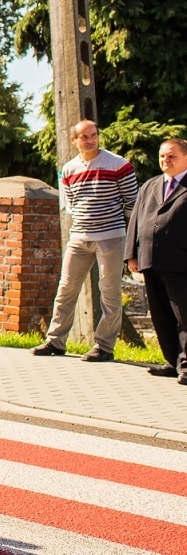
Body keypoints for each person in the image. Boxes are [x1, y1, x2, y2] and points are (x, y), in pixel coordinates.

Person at [33, 120, 138, 362]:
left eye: (94, 135)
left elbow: (133, 203)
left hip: (110, 236)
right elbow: (71, 204)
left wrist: (127, 235)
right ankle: (55, 341)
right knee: (66, 289)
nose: (90, 140)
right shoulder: (69, 169)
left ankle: (104, 347)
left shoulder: (118, 165)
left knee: (109, 292)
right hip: (79, 236)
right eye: (84, 137)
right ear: (74, 140)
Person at [125, 138, 187, 383]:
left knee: (184, 316)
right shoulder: (150, 186)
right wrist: (131, 254)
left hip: (180, 261)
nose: (165, 160)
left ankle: (186, 365)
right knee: (161, 315)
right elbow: (136, 221)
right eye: (162, 156)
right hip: (150, 259)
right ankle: (172, 361)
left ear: (185, 157)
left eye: (171, 156)